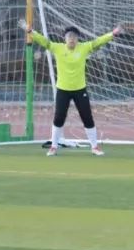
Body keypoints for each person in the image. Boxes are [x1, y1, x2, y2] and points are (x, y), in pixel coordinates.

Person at [20, 20, 121, 157]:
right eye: (69, 36)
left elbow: (97, 42)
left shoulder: (84, 47)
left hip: (80, 90)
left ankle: (95, 147)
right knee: (59, 118)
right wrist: (30, 31)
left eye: (74, 36)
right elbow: (45, 42)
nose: (71, 39)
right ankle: (54, 147)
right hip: (63, 90)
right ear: (65, 38)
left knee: (87, 118)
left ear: (77, 39)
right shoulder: (58, 48)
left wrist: (112, 34)